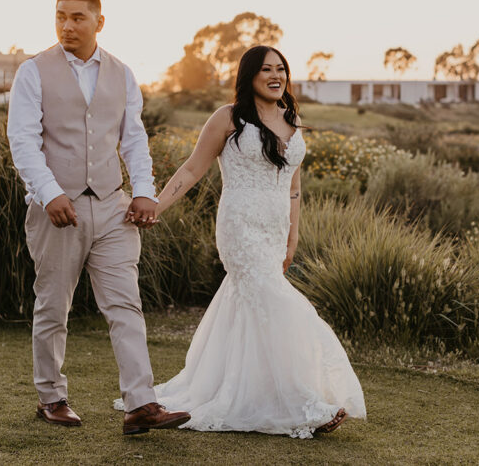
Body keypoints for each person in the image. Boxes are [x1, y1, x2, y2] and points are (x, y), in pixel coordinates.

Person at [114, 45, 366, 438]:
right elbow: (193, 168)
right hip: (240, 227)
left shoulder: (292, 118)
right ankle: (304, 402)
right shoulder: (228, 118)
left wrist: (293, 233)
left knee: (252, 310)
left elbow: (294, 185)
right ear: (249, 76)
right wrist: (156, 206)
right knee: (279, 303)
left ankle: (254, 393)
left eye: (280, 68)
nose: (275, 75)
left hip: (274, 229)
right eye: (265, 69)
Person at [7, 0, 190, 435]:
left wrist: (144, 191)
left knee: (125, 304)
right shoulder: (33, 72)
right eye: (60, 17)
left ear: (99, 22)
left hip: (113, 206)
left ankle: (141, 404)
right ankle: (51, 397)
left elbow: (133, 139)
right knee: (53, 306)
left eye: (77, 18)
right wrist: (49, 193)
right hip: (57, 210)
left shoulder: (122, 73)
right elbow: (23, 142)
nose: (67, 26)